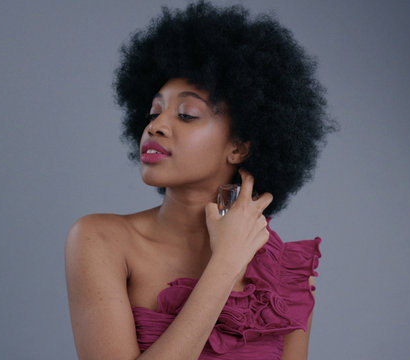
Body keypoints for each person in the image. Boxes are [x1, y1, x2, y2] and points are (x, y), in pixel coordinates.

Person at [65, 1, 334, 359]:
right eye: (153, 111)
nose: (155, 126)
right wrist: (225, 264)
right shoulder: (101, 240)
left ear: (238, 147)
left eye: (187, 115)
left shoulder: (285, 273)